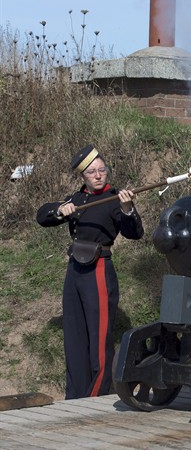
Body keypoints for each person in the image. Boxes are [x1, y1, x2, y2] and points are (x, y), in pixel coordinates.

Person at [36, 144, 144, 399]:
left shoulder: (116, 199)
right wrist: (60, 210)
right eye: (92, 172)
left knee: (99, 342)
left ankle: (95, 397)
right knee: (74, 340)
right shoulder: (77, 199)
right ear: (83, 177)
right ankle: (74, 398)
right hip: (74, 271)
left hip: (98, 270)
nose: (98, 175)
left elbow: (135, 233)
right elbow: (42, 216)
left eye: (102, 170)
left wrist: (128, 209)